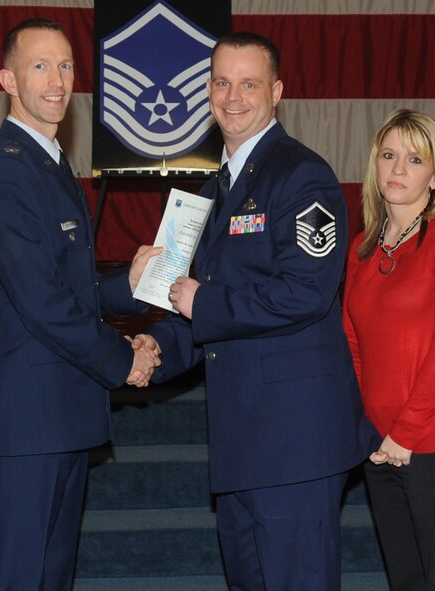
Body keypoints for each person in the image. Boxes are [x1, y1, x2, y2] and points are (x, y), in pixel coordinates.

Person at [134, 32, 376, 590]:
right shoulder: (210, 188)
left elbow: (305, 292)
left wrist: (203, 301)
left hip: (294, 440)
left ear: (277, 92)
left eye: (249, 84)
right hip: (240, 436)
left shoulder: (302, 175)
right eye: (222, 82)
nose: (233, 97)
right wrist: (156, 347)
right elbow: (192, 304)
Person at [0, 18, 162, 590]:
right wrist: (122, 359)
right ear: (8, 80)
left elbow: (63, 287)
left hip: (56, 414)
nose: (57, 81)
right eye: (40, 66)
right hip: (26, 421)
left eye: (66, 65)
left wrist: (129, 283)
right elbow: (43, 304)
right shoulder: (9, 172)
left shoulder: (47, 164)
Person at [342, 109, 435, 590]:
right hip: (381, 445)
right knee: (407, 582)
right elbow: (354, 345)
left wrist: (404, 433)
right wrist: (369, 428)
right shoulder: (362, 247)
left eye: (414, 159)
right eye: (388, 155)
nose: (397, 169)